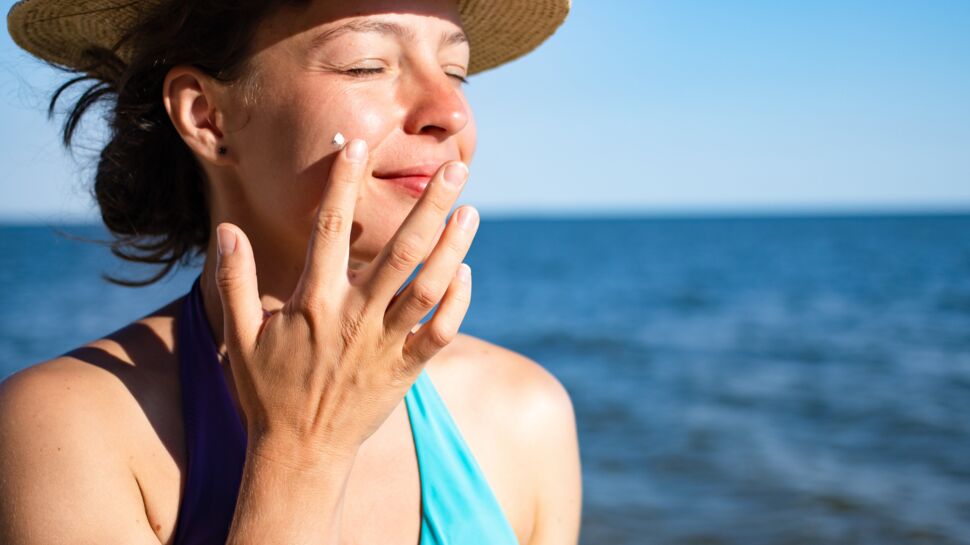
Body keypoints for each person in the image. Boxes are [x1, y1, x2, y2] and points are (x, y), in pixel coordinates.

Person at [0, 0, 581, 543]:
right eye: (366, 66)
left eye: (456, 71)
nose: (449, 112)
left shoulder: (523, 414)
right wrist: (301, 452)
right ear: (208, 116)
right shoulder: (67, 427)